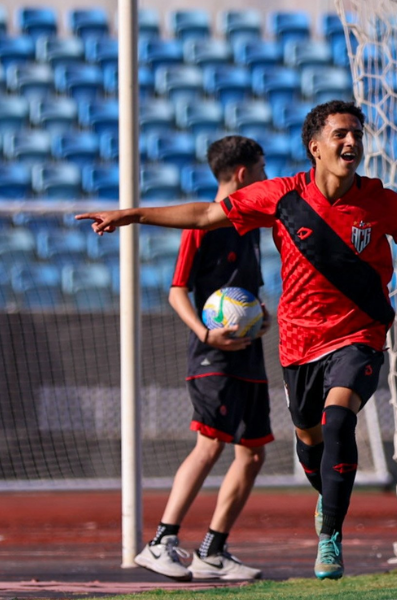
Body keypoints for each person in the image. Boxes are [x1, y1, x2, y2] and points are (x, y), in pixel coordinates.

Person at [78, 100, 397, 580]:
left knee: (339, 419)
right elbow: (205, 216)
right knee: (309, 437)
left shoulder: (378, 200)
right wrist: (133, 214)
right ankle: (324, 498)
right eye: (341, 134)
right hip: (299, 344)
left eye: (357, 134)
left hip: (360, 333)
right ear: (314, 147)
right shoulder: (281, 196)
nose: (352, 142)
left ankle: (330, 539)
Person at [132, 135, 272, 581]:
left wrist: (260, 318)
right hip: (213, 355)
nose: (267, 179)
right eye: (263, 170)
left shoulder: (250, 228)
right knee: (210, 445)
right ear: (244, 174)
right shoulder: (202, 224)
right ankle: (160, 543)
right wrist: (207, 333)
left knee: (252, 454)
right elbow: (177, 292)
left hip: (248, 354)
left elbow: (247, 294)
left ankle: (213, 550)